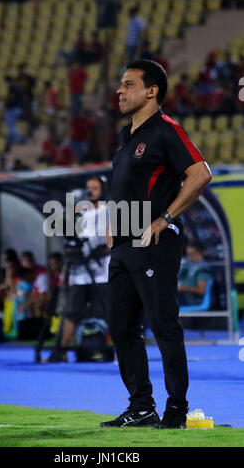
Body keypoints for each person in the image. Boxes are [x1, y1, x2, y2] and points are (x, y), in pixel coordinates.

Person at [102, 59, 212, 429]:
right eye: (121, 84)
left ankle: (176, 410)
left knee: (163, 324)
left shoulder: (167, 131)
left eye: (128, 84)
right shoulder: (125, 138)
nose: (120, 90)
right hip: (123, 246)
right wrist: (111, 224)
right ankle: (141, 407)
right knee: (120, 327)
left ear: (152, 91)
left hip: (154, 244)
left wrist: (166, 218)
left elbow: (200, 174)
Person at [48, 176, 111, 363]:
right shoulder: (77, 213)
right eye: (88, 188)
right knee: (70, 314)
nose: (91, 191)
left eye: (95, 188)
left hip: (102, 274)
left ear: (103, 190)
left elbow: (115, 239)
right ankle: (61, 351)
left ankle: (116, 350)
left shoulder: (110, 212)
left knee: (108, 313)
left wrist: (104, 249)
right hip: (78, 274)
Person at [35, 252, 63, 363]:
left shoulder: (66, 274)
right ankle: (40, 350)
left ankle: (61, 352)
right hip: (54, 305)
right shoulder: (53, 276)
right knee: (47, 325)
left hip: (64, 305)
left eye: (55, 263)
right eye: (51, 264)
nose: (53, 266)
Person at [178, 242, 211, 306]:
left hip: (191, 301)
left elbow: (201, 290)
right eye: (187, 254)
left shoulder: (203, 269)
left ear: (200, 253)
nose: (189, 257)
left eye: (192, 254)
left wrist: (181, 288)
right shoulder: (188, 265)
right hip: (181, 298)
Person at [4, 76, 26, 151]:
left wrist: (5, 99)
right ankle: (9, 141)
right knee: (11, 127)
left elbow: (11, 97)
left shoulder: (12, 87)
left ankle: (21, 139)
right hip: (17, 108)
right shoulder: (18, 87)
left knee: (11, 127)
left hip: (12, 109)